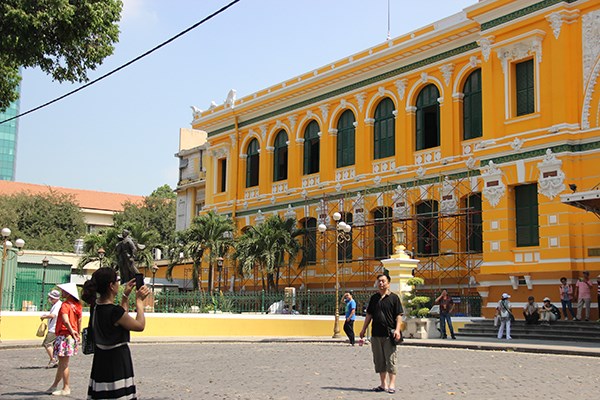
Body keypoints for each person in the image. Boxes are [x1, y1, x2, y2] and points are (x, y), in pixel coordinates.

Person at [82, 267, 150, 399]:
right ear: (111, 286)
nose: (119, 283)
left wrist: (125, 296)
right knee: (118, 395)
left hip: (101, 359)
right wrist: (139, 302)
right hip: (116, 360)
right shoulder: (113, 312)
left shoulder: (96, 306)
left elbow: (120, 317)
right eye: (117, 280)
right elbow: (139, 325)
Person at [359, 274, 403, 395]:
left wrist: (398, 330)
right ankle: (383, 384)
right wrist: (363, 329)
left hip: (389, 334)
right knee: (379, 360)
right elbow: (369, 315)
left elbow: (398, 315)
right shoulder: (374, 298)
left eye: (383, 281)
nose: (381, 283)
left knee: (390, 360)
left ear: (388, 283)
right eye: (379, 281)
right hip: (376, 334)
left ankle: (392, 384)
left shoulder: (394, 298)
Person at [47, 283, 82, 396]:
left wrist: (71, 331)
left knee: (64, 363)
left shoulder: (65, 305)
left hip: (65, 335)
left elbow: (65, 321)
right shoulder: (77, 305)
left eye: (64, 291)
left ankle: (66, 387)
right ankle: (54, 385)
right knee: (62, 363)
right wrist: (77, 333)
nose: (62, 292)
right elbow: (79, 320)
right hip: (71, 336)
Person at [40, 289, 62, 368]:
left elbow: (53, 315)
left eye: (51, 298)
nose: (50, 299)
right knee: (55, 344)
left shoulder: (58, 305)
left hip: (54, 328)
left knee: (47, 343)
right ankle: (56, 360)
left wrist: (44, 316)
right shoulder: (56, 305)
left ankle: (53, 359)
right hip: (54, 327)